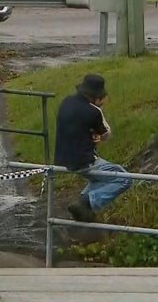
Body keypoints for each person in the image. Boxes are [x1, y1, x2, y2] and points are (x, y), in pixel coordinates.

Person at [54, 73, 132, 222]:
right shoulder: (93, 112)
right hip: (84, 161)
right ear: (97, 97)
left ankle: (80, 205)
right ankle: (86, 202)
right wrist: (99, 115)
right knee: (125, 178)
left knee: (99, 180)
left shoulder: (66, 102)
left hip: (62, 158)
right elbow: (105, 135)